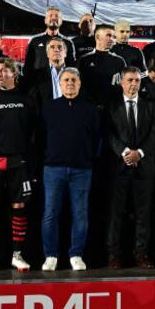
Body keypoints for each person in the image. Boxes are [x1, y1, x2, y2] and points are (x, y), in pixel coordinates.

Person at [0, 58, 39, 273]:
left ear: (15, 74)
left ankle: (17, 254)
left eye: (4, 70)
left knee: (19, 207)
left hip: (18, 161)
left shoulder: (26, 100)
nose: (0, 74)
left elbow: (33, 131)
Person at [40, 67, 102, 271]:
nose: (70, 83)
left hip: (82, 170)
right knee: (50, 214)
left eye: (74, 80)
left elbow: (97, 140)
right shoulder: (48, 107)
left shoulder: (90, 109)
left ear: (80, 83)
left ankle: (76, 254)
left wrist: (88, 159)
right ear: (60, 83)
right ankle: (50, 255)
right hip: (53, 169)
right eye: (66, 80)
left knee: (80, 214)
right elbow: (39, 138)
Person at [107, 68, 155, 268]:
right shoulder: (111, 106)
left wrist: (140, 153)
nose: (134, 84)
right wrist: (125, 152)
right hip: (119, 168)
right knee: (116, 214)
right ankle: (114, 255)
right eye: (130, 80)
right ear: (121, 82)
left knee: (143, 213)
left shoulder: (151, 106)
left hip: (144, 167)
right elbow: (109, 134)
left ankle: (141, 254)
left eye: (137, 81)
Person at [78, 23, 125, 108]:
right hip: (89, 108)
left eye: (114, 37)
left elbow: (124, 86)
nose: (112, 39)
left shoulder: (119, 61)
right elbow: (79, 85)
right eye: (108, 35)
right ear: (97, 37)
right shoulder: (84, 60)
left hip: (112, 110)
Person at [26, 7, 76, 72]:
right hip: (39, 81)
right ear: (45, 20)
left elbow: (71, 68)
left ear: (61, 21)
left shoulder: (68, 42)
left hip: (59, 81)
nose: (53, 18)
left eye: (56, 16)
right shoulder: (35, 41)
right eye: (50, 15)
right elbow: (28, 66)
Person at [24, 37, 70, 105]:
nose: (56, 50)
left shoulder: (76, 74)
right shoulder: (36, 76)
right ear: (47, 53)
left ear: (65, 53)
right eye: (52, 47)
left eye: (60, 47)